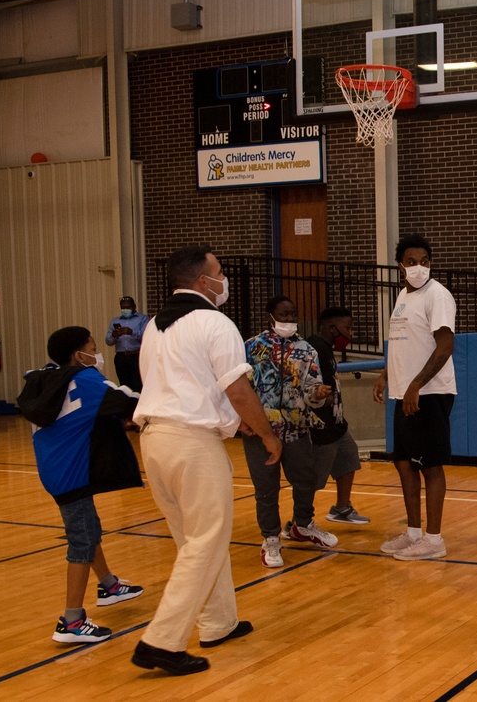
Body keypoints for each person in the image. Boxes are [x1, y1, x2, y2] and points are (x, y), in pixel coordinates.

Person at [130, 245, 282, 676]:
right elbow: (237, 389)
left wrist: (232, 420)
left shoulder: (154, 326)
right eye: (219, 271)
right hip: (192, 443)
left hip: (154, 439)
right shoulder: (215, 322)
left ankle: (218, 622)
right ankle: (161, 642)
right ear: (203, 281)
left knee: (193, 539)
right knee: (206, 540)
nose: (223, 278)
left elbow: (179, 385)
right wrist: (267, 434)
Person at [17, 326, 145, 644]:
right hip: (71, 474)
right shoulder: (84, 380)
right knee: (82, 541)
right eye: (92, 347)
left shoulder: (46, 379)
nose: (96, 353)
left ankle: (109, 585)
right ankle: (71, 621)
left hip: (54, 470)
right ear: (79, 355)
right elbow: (130, 401)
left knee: (89, 529)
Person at [372, 233, 456, 561]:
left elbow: (445, 347)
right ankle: (413, 533)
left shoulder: (438, 296)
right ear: (400, 266)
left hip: (429, 393)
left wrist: (416, 385)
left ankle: (434, 540)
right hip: (404, 392)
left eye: (424, 261)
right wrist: (386, 374)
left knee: (430, 466)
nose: (418, 267)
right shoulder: (403, 296)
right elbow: (403, 343)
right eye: (411, 262)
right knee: (404, 463)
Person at [243, 295, 335, 568]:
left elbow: (311, 388)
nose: (289, 319)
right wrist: (241, 419)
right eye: (283, 314)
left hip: (297, 428)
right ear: (270, 317)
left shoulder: (306, 350)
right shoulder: (251, 347)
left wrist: (318, 394)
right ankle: (271, 538)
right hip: (261, 431)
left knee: (305, 479)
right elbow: (240, 387)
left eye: (293, 314)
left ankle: (303, 525)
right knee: (266, 488)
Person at [306, 306, 370, 527]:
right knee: (314, 477)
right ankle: (300, 520)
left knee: (349, 455)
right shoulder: (315, 347)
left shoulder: (326, 348)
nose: (350, 334)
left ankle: (342, 508)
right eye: (348, 328)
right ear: (332, 328)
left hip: (336, 423)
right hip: (321, 425)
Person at [104, 296, 149, 392]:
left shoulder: (142, 319)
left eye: (127, 307)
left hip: (136, 356)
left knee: (138, 385)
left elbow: (146, 337)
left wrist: (131, 332)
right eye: (123, 307)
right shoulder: (115, 321)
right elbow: (108, 341)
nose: (125, 310)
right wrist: (114, 335)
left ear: (134, 306)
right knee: (124, 387)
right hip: (121, 357)